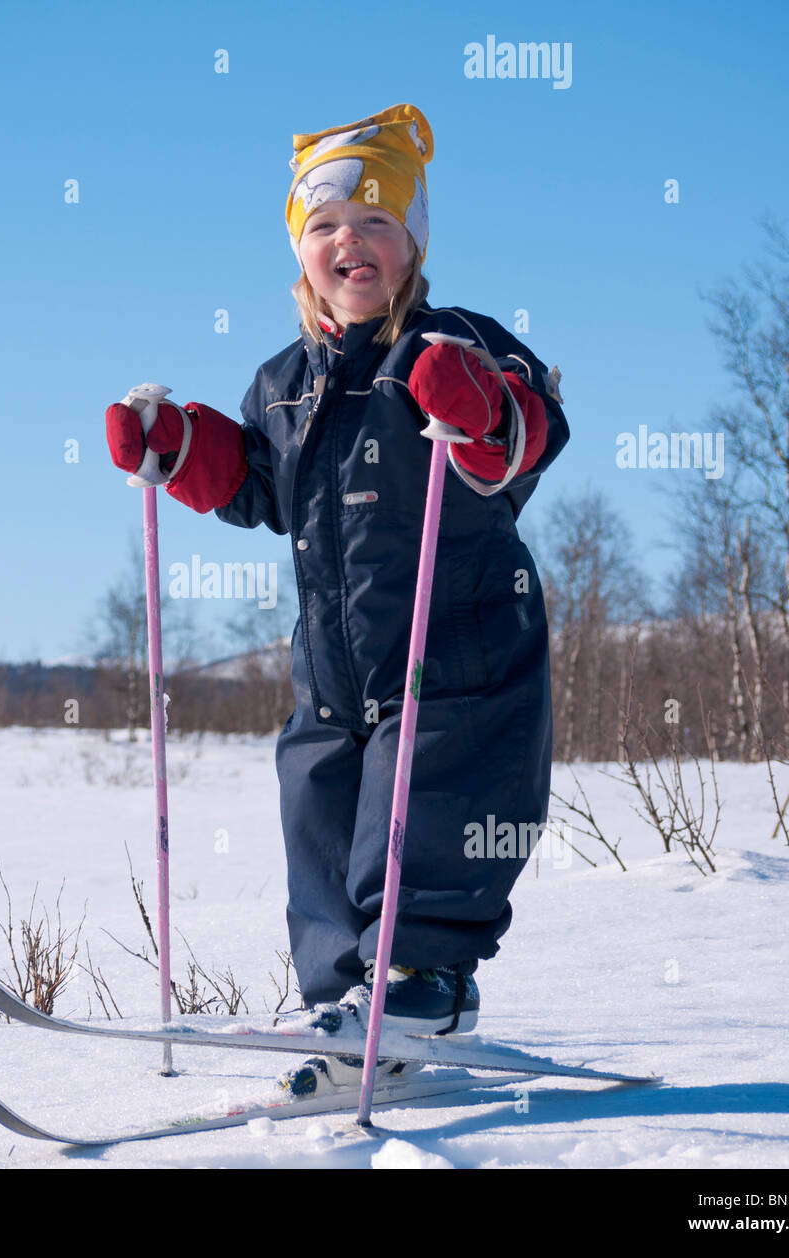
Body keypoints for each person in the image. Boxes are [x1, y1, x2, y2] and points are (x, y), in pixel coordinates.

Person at [105, 103, 568, 1083]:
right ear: (298, 250)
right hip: (332, 668)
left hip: (456, 657)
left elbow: (524, 441)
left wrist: (480, 408)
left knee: (421, 820)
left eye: (373, 222)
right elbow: (258, 487)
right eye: (322, 226)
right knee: (317, 815)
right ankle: (347, 1013)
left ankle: (422, 984)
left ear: (412, 243)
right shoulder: (285, 381)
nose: (347, 241)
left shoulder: (457, 345)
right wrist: (179, 448)